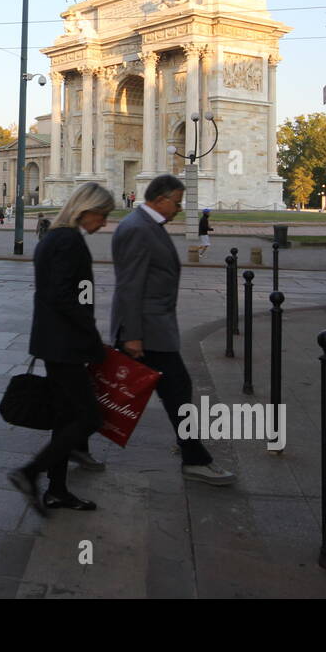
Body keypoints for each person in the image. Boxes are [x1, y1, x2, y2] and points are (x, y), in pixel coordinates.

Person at [111, 175, 236, 486]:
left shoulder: (146, 225)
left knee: (114, 393)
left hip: (150, 329)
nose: (179, 209)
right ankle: (195, 458)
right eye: (177, 203)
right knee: (176, 393)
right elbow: (130, 285)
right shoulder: (138, 229)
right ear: (160, 199)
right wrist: (133, 335)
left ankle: (71, 443)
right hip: (147, 332)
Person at [9, 183, 114, 515]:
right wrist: (92, 337)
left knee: (65, 416)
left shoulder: (52, 238)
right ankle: (30, 472)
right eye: (104, 215)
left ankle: (57, 490)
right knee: (89, 417)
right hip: (67, 345)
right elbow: (66, 297)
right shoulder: (69, 241)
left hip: (53, 341)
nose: (105, 223)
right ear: (87, 209)